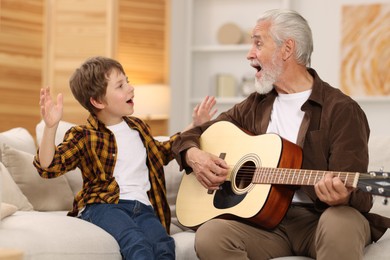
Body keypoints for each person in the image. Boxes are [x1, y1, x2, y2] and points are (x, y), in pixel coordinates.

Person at [172, 9, 390, 260]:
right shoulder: (255, 105)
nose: (249, 54)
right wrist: (193, 155)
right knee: (211, 235)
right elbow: (190, 136)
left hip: (321, 220)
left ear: (287, 49)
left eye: (257, 43)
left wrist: (342, 195)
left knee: (340, 223)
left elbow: (361, 197)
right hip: (268, 224)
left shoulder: (342, 110)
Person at [33, 56, 217, 260]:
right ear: (98, 101)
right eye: (120, 86)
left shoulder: (139, 128)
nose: (131, 88)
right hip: (104, 206)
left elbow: (165, 150)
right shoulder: (84, 136)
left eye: (127, 81)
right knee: (136, 244)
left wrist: (196, 125)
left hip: (144, 207)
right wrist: (51, 128)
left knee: (164, 246)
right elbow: (49, 167)